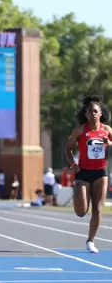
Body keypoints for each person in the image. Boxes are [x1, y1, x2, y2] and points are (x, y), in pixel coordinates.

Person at [65, 95, 111, 253]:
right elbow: (68, 149)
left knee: (98, 208)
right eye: (89, 111)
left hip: (101, 172)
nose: (92, 114)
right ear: (85, 114)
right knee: (81, 211)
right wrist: (73, 164)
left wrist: (109, 143)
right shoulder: (79, 130)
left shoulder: (107, 130)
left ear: (100, 113)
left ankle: (90, 241)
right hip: (83, 172)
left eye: (95, 111)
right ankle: (79, 194)